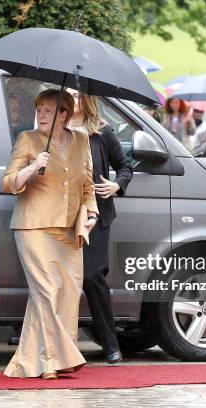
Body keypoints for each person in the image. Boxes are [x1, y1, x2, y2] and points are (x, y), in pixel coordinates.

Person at [2, 89, 98, 379]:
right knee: (47, 291)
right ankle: (56, 360)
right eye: (38, 110)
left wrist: (92, 213)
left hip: (69, 230)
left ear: (64, 115)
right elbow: (8, 182)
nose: (41, 115)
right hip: (33, 227)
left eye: (48, 110)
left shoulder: (81, 140)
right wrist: (33, 166)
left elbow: (88, 185)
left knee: (67, 293)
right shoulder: (28, 140)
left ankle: (33, 362)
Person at [67, 88, 133, 364]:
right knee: (58, 279)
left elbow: (125, 166)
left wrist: (117, 185)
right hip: (60, 213)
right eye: (68, 95)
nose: (73, 99)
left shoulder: (101, 132)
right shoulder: (55, 130)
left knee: (93, 276)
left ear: (87, 100)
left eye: (77, 95)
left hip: (96, 213)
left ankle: (110, 343)